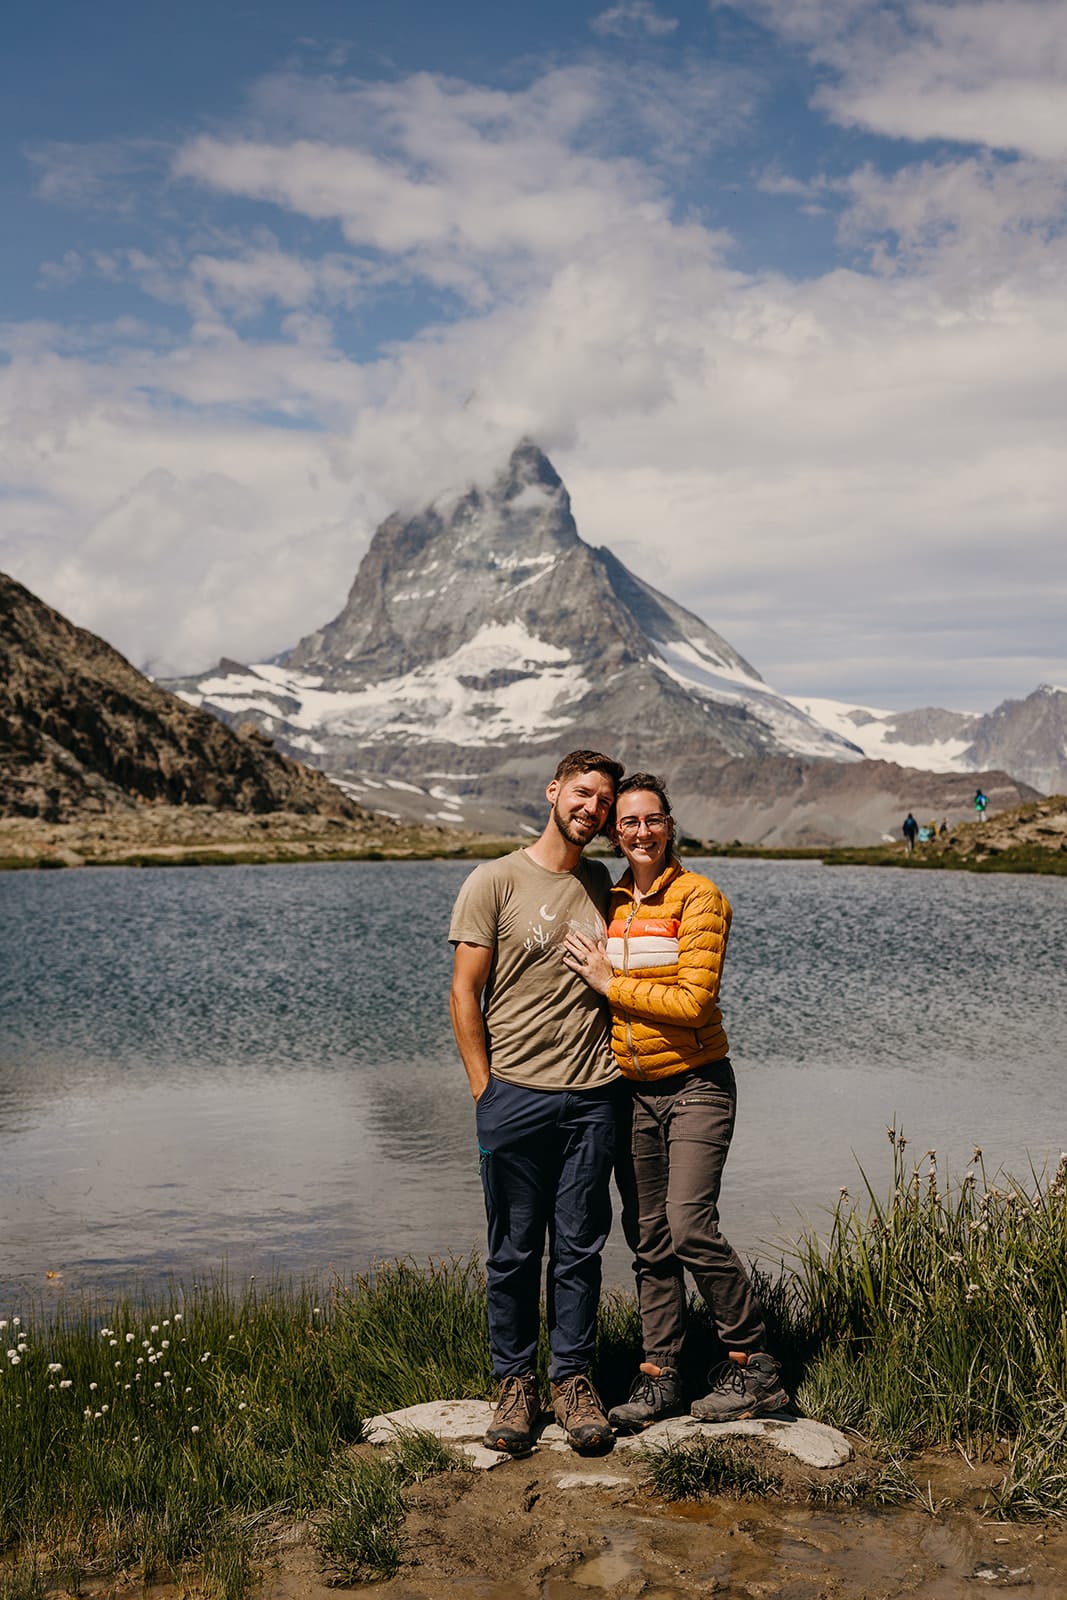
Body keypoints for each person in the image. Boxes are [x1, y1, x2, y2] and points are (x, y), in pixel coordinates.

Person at [562, 773, 789, 1431]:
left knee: (690, 1224)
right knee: (650, 1240)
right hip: (631, 1094)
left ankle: (755, 1368)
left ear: (669, 824)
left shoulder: (699, 898)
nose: (640, 831)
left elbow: (694, 1001)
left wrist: (612, 982)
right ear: (615, 831)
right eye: (627, 822)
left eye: (651, 819)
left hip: (697, 1085)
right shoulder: (610, 899)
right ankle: (660, 1376)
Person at [449, 750, 624, 1455]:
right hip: (513, 1096)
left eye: (604, 802)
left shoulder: (600, 880)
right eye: (583, 794)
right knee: (514, 1252)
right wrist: (481, 1087)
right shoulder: (493, 880)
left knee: (579, 1249)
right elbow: (464, 991)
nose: (593, 809)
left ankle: (573, 1382)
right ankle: (514, 1384)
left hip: (593, 1097)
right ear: (553, 792)